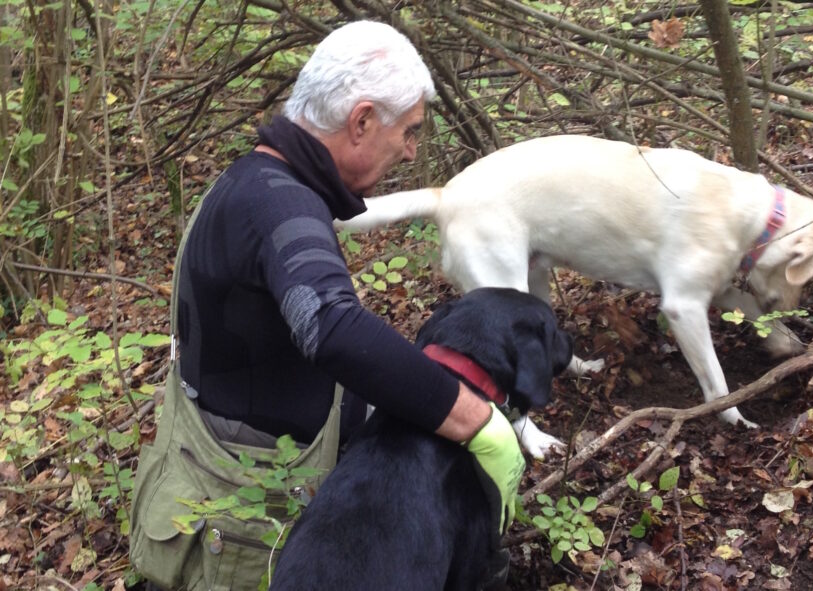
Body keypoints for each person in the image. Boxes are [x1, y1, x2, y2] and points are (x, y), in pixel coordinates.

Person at [130, 20, 523, 590]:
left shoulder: (253, 179)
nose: (412, 152)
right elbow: (331, 326)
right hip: (252, 517)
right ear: (362, 120)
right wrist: (477, 421)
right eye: (409, 132)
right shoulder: (279, 206)